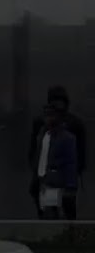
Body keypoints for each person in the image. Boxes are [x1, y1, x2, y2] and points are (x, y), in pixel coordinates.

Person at [28, 85, 86, 219]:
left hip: (64, 175)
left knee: (66, 210)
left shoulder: (75, 124)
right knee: (48, 212)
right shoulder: (40, 124)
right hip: (47, 176)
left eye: (60, 102)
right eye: (54, 102)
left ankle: (63, 234)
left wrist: (75, 174)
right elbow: (35, 150)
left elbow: (80, 153)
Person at [35, 105, 80, 220]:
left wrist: (70, 187)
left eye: (51, 115)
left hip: (59, 184)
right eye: (46, 115)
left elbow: (71, 163)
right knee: (48, 216)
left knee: (64, 216)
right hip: (45, 182)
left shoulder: (67, 138)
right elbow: (40, 157)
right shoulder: (43, 136)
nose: (48, 118)